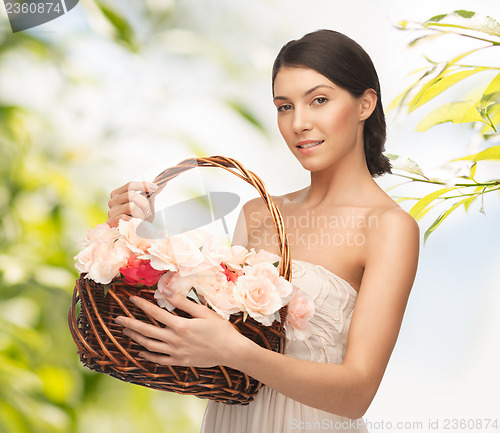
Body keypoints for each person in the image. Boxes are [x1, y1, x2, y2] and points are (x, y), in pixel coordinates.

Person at [106, 30, 420, 433]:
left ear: (365, 103)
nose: (299, 123)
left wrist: (237, 351)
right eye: (284, 106)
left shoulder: (389, 228)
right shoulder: (258, 214)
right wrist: (131, 237)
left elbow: (357, 394)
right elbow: (215, 355)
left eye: (319, 100)